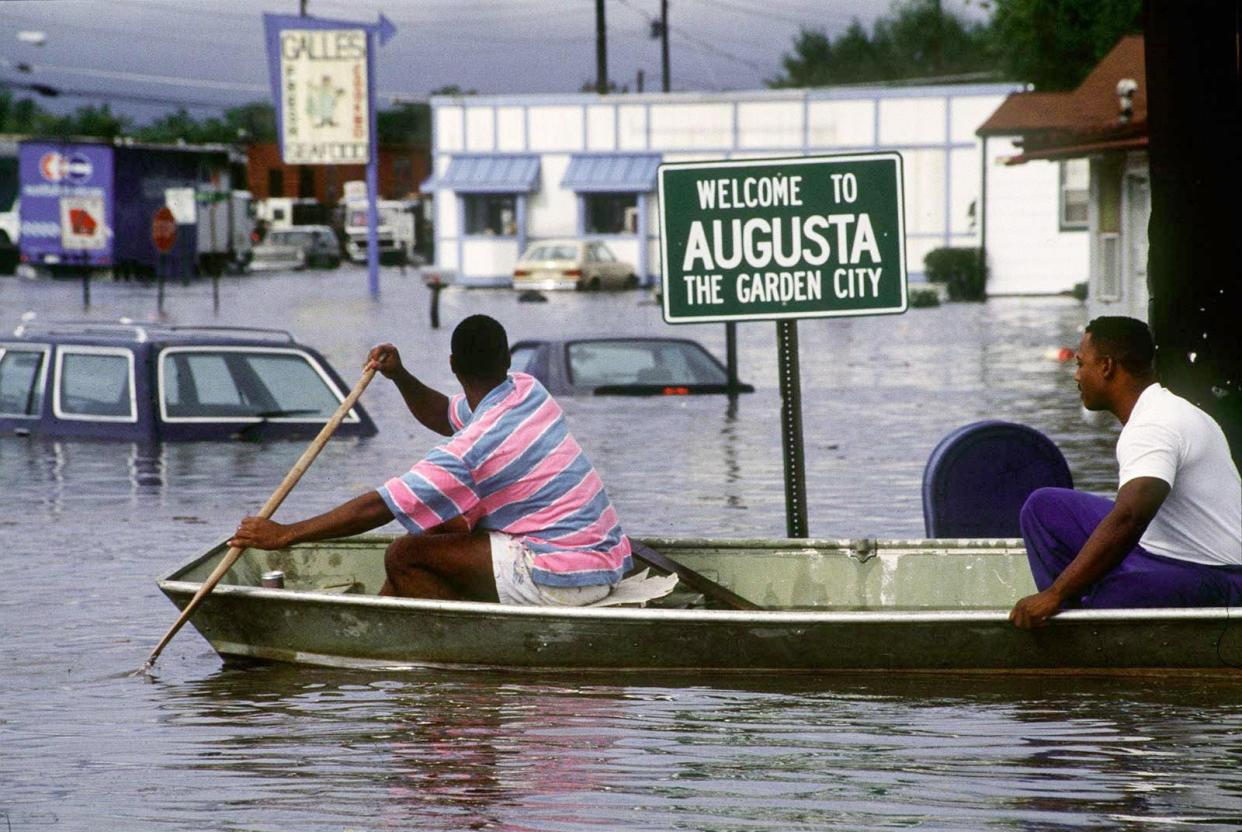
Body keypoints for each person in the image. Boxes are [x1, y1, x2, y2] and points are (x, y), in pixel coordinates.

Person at [229, 314, 633, 605]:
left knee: (404, 555)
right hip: (603, 558)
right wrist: (400, 376)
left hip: (564, 577)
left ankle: (460, 646)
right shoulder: (528, 392)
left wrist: (284, 535)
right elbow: (443, 415)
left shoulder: (471, 447)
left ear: (453, 365)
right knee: (441, 525)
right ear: (507, 362)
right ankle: (390, 615)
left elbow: (379, 506)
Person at [1009, 316, 1242, 629]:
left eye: (1081, 364)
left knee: (1109, 600)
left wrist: (1055, 592)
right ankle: (1075, 612)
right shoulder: (1166, 409)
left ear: (1106, 367)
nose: (1076, 376)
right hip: (1169, 551)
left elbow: (1130, 517)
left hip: (1220, 578)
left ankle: (1074, 619)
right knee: (1044, 508)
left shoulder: (1153, 425)